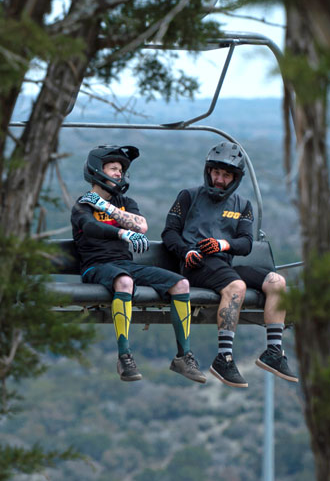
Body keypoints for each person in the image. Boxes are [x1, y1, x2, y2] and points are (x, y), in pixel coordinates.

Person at [161, 140, 298, 388]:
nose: (219, 179)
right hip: (196, 264)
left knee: (277, 282)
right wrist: (186, 250)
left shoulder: (242, 206)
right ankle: (223, 358)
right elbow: (169, 233)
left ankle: (274, 352)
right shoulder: (188, 196)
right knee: (236, 287)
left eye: (226, 175)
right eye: (216, 172)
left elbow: (245, 243)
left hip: (224, 263)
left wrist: (223, 244)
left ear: (235, 178)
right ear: (208, 171)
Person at [71, 145, 205, 383]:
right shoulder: (82, 205)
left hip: (125, 264)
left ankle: (183, 356)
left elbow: (141, 225)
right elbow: (91, 227)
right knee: (125, 281)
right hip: (96, 267)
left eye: (121, 169)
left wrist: (105, 206)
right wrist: (121, 233)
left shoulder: (124, 202)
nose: (118, 174)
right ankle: (124, 356)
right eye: (113, 168)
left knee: (181, 284)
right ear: (96, 170)